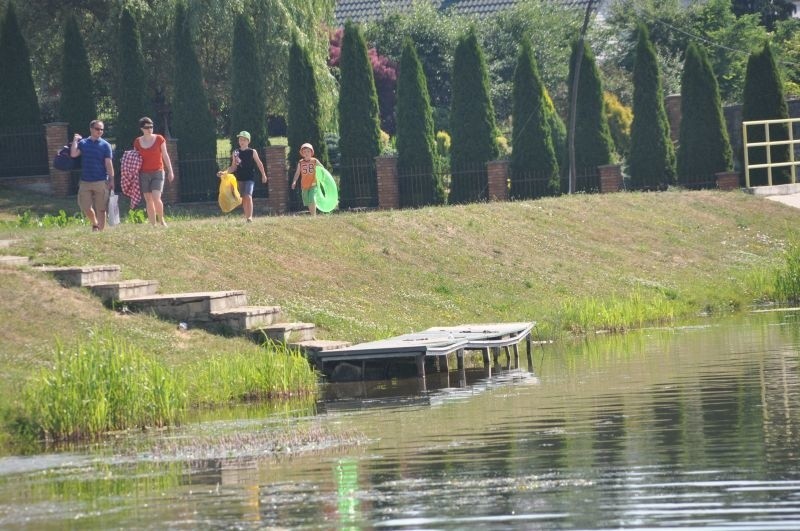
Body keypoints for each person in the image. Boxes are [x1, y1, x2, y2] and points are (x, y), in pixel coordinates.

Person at [70, 120, 114, 231]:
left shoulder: (106, 145)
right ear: (91, 129)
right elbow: (74, 154)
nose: (100, 131)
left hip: (101, 181)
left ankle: (101, 231)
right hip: (85, 181)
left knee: (101, 208)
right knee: (85, 207)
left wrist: (112, 179)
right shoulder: (83, 143)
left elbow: (108, 164)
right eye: (97, 129)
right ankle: (95, 223)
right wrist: (75, 140)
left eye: (102, 129)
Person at [217, 131, 267, 222]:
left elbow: (259, 164)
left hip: (250, 178)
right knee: (244, 198)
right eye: (240, 140)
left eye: (244, 140)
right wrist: (224, 172)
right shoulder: (236, 152)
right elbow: (233, 167)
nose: (242, 141)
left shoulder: (252, 152)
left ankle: (250, 216)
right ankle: (247, 217)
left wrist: (263, 175)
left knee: (248, 195)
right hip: (239, 179)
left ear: (248, 141)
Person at [134, 116, 174, 226]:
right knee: (148, 199)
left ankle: (161, 220)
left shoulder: (159, 139)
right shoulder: (137, 141)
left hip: (158, 171)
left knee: (156, 197)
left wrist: (170, 171)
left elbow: (165, 155)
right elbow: (135, 158)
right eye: (147, 127)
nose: (149, 129)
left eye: (151, 126)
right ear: (142, 128)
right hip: (143, 173)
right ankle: (153, 224)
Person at [291, 142, 320, 216]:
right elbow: (297, 173)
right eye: (304, 152)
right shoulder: (300, 162)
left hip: (313, 183)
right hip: (304, 185)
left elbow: (322, 168)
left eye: (308, 151)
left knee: (312, 198)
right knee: (308, 201)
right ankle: (312, 214)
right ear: (302, 153)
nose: (306, 153)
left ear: (311, 152)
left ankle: (314, 216)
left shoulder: (314, 161)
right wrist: (294, 181)